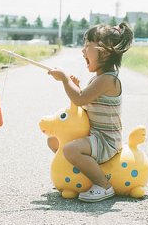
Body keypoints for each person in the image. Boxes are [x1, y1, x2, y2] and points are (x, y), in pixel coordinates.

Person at [48, 22, 134, 202]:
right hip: (95, 135)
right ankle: (79, 174)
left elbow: (79, 99)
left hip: (106, 140)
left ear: (105, 51)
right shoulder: (98, 79)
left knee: (71, 149)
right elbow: (82, 103)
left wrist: (64, 79)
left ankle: (104, 185)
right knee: (54, 141)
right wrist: (76, 87)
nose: (82, 51)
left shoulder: (108, 80)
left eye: (87, 46)